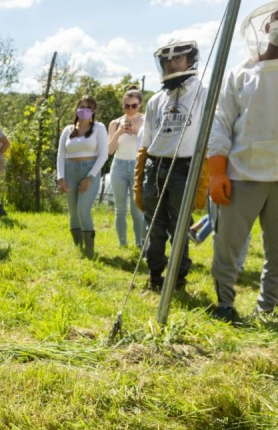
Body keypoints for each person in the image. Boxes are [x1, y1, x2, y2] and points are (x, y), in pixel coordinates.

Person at [207, 2, 278, 322]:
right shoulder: (240, 73)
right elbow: (220, 124)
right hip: (240, 175)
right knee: (228, 247)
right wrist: (217, 170)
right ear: (266, 26)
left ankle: (269, 308)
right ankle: (225, 303)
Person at [135, 39, 208, 292]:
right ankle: (154, 276)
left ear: (190, 60)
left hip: (184, 167)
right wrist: (140, 173)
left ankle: (177, 280)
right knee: (154, 225)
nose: (171, 63)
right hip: (155, 166)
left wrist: (204, 175)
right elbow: (146, 140)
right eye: (166, 59)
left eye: (177, 58)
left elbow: (210, 136)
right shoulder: (156, 100)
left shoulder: (203, 93)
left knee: (180, 226)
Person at [56, 95, 108, 259]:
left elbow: (103, 155)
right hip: (70, 171)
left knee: (83, 210)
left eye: (87, 107)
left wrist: (90, 177)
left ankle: (90, 251)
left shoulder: (99, 128)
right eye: (81, 106)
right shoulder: (67, 130)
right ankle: (79, 249)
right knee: (73, 211)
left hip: (89, 171)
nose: (83, 110)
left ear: (93, 111)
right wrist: (61, 177)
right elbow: (60, 155)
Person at [107, 86, 146, 248]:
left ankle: (140, 243)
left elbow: (151, 145)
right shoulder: (115, 123)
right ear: (123, 106)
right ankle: (123, 244)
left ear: (140, 105)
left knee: (137, 210)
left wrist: (137, 132)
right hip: (119, 167)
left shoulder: (146, 121)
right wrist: (119, 133)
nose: (130, 109)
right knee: (120, 208)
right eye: (127, 106)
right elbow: (109, 150)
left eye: (134, 105)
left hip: (138, 166)